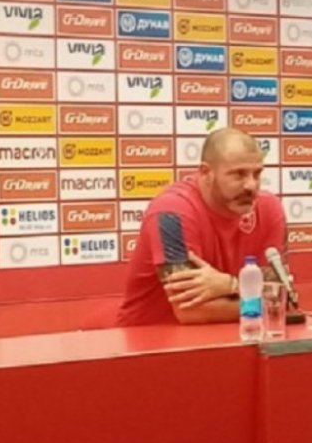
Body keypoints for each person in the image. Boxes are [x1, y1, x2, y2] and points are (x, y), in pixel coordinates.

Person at [116, 128, 286, 326]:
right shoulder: (171, 211)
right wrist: (259, 298)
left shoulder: (269, 208)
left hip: (234, 336)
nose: (251, 185)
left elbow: (281, 294)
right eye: (239, 175)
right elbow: (191, 311)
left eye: (257, 174)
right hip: (150, 338)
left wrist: (230, 284)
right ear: (206, 173)